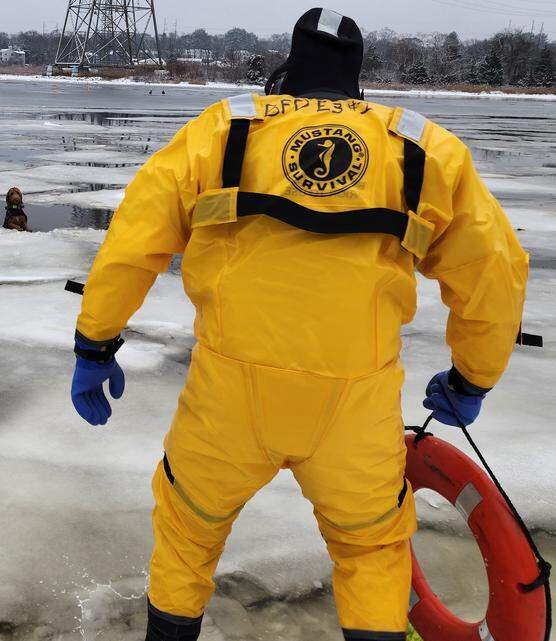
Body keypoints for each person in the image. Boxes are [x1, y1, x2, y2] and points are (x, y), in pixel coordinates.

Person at [69, 8, 528, 641]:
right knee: (370, 554)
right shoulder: (424, 148)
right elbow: (493, 271)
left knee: (186, 536)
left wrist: (95, 343)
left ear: (287, 71)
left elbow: (131, 242)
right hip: (354, 405)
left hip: (228, 397)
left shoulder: (223, 131)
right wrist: (474, 377)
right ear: (356, 79)